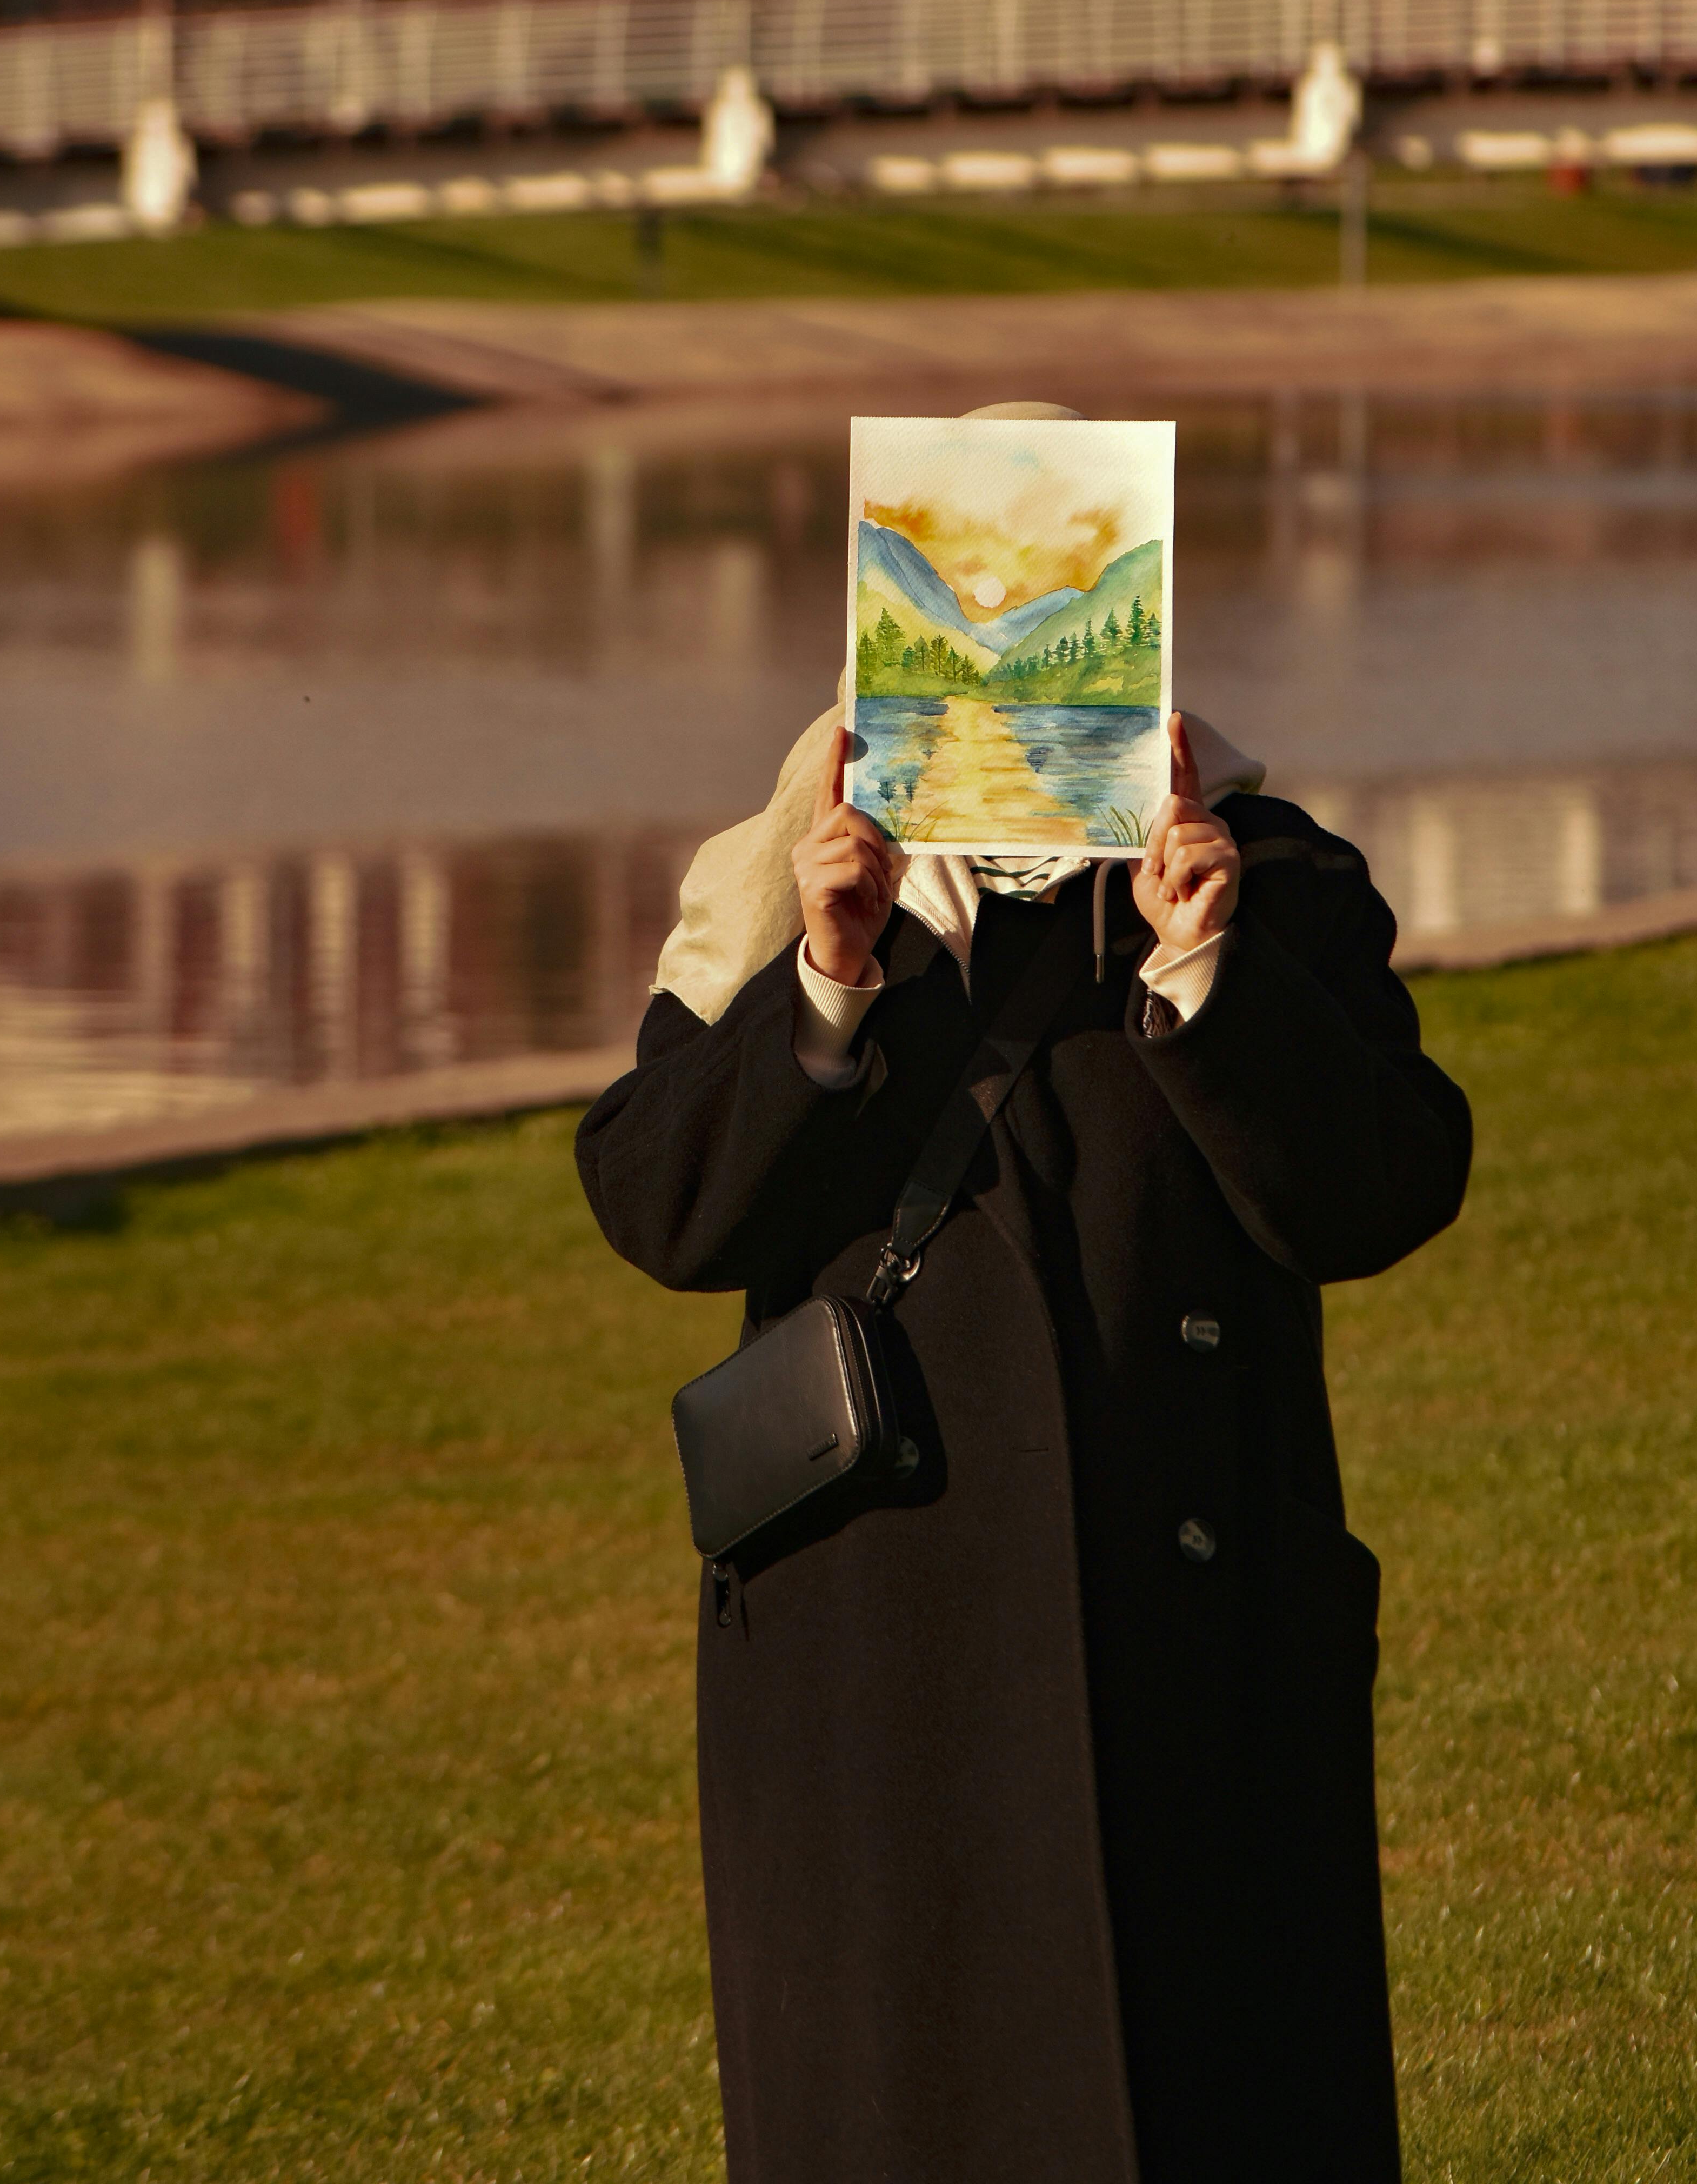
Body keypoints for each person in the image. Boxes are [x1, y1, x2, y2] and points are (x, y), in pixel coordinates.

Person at [576, 423, 1473, 2184]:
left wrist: (1206, 968)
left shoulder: (1266, 875)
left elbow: (1382, 1190)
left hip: (1196, 1652)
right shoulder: (789, 880)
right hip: (874, 1661)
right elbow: (659, 1204)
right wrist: (830, 982)